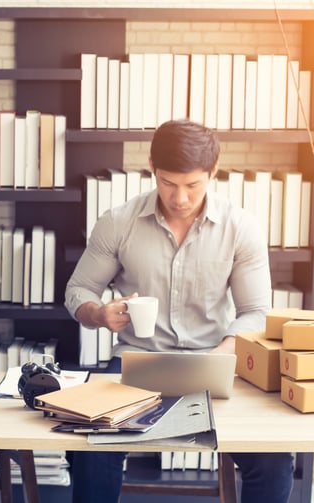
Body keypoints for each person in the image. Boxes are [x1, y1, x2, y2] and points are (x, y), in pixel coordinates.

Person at [64, 119, 294, 503]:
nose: (180, 198)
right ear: (152, 165)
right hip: (135, 364)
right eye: (168, 183)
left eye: (193, 185)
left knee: (273, 460)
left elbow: (256, 311)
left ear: (213, 172)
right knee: (92, 449)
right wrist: (98, 313)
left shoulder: (240, 228)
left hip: (214, 364)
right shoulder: (119, 222)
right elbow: (79, 289)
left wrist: (226, 348)